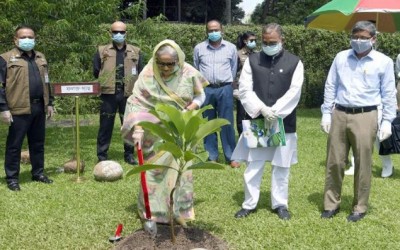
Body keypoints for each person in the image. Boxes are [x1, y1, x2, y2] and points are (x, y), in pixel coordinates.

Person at [121, 39, 208, 225]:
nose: (166, 68)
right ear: (155, 59)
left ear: (178, 61)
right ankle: (152, 212)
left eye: (170, 64)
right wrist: (137, 127)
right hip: (154, 131)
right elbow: (136, 101)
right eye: (161, 63)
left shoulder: (189, 72)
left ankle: (178, 212)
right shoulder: (147, 73)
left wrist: (190, 108)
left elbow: (201, 95)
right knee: (154, 171)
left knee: (180, 171)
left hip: (180, 128)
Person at [320, 21, 397, 222]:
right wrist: (326, 113)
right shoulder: (341, 58)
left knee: (363, 162)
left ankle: (360, 207)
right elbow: (331, 86)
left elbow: (389, 93)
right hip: (340, 112)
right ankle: (331, 204)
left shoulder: (384, 62)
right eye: (355, 36)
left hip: (366, 115)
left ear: (373, 39)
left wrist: (388, 120)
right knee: (335, 161)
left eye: (363, 37)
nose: (358, 41)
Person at [231, 23, 304, 220]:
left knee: (282, 165)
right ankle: (249, 203)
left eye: (273, 42)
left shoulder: (295, 62)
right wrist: (262, 109)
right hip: (258, 119)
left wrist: (276, 111)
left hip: (284, 121)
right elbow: (245, 89)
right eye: (265, 42)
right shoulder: (252, 60)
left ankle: (280, 204)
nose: (268, 45)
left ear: (282, 40)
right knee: (254, 164)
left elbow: (294, 91)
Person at [0, 25, 55, 191]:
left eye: (30, 37)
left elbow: (47, 82)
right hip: (18, 108)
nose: (27, 40)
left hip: (39, 106)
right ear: (15, 39)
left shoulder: (40, 57)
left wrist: (50, 102)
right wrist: (3, 108)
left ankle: (38, 173)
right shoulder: (5, 58)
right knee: (14, 145)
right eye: (23, 37)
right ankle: (12, 178)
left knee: (38, 143)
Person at [93, 21, 143, 165]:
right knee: (105, 126)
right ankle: (102, 155)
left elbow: (140, 72)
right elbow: (96, 71)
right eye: (115, 32)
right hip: (108, 94)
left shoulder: (136, 51)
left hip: (128, 94)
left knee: (128, 126)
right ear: (111, 33)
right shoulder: (102, 51)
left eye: (121, 32)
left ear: (126, 33)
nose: (118, 35)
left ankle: (129, 155)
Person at [193, 19, 240, 168]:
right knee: (208, 123)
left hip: (225, 88)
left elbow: (233, 68)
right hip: (206, 89)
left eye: (216, 30)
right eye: (210, 30)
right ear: (206, 32)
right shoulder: (199, 48)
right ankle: (211, 156)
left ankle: (231, 156)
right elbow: (196, 68)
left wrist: (228, 85)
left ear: (222, 30)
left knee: (227, 122)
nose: (213, 33)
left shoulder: (231, 48)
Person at [234, 31, 257, 135]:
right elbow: (233, 73)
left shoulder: (257, 55)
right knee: (242, 115)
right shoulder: (238, 54)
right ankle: (242, 137)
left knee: (254, 113)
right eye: (251, 40)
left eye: (255, 40)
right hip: (242, 89)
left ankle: (254, 136)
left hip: (255, 89)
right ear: (245, 41)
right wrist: (234, 89)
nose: (254, 42)